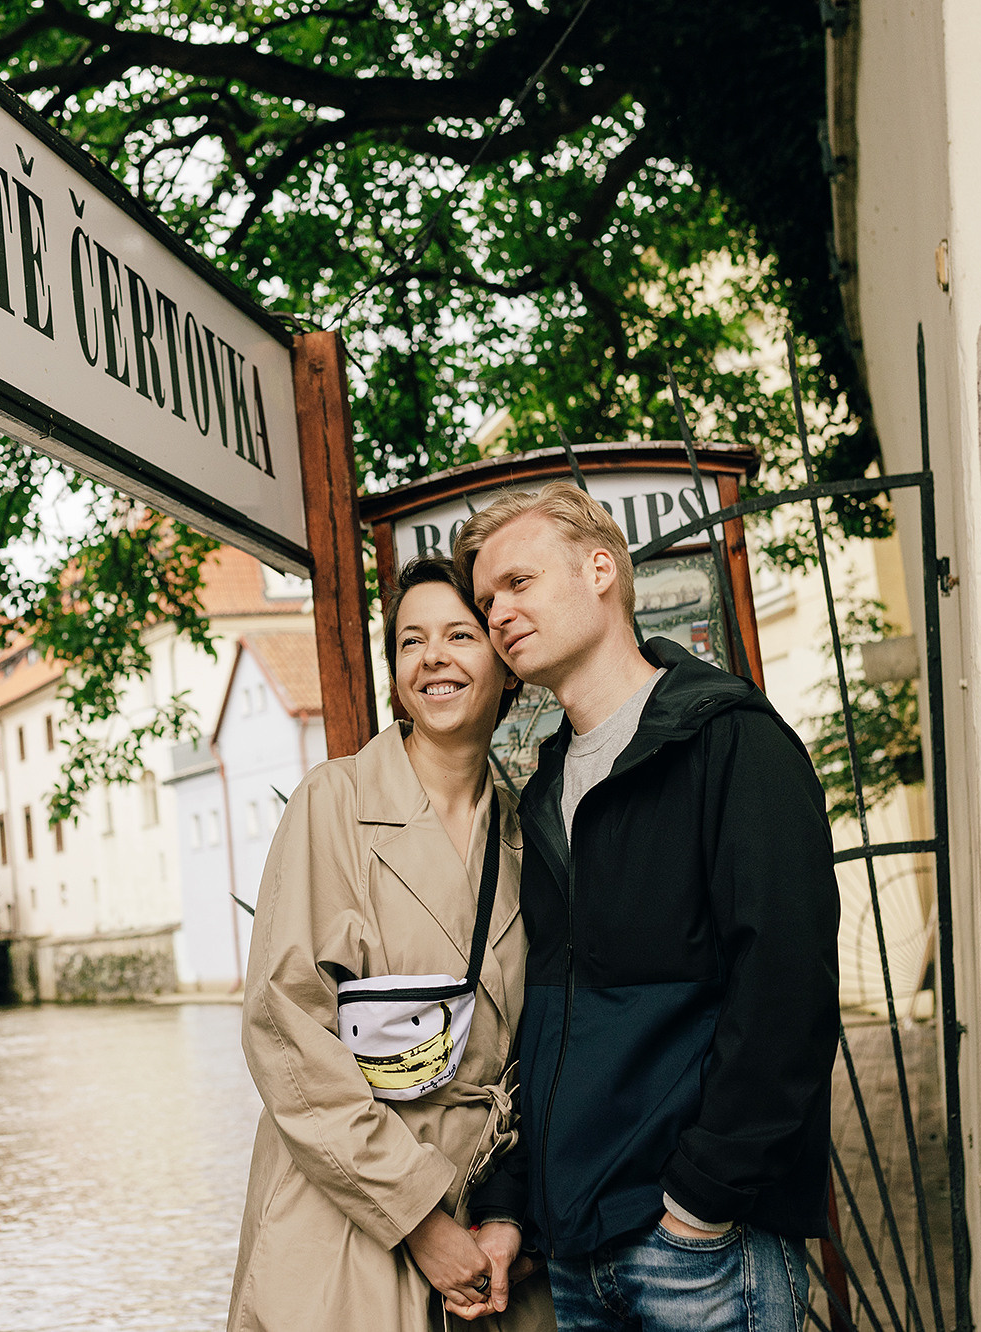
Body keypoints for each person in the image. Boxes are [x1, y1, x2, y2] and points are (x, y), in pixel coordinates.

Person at [453, 483, 839, 1332]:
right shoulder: (546, 790)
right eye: (485, 602)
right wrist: (515, 1204)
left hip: (701, 1253)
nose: (498, 614)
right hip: (577, 1258)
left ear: (601, 570)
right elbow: (547, 1021)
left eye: (518, 582)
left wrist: (702, 1201)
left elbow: (787, 987)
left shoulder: (730, 740)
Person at [230, 557, 555, 1332]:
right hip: (346, 1220)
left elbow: (541, 1049)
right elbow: (285, 1030)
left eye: (459, 636)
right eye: (411, 641)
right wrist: (418, 1220)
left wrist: (509, 1215)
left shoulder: (528, 835)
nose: (432, 656)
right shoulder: (333, 803)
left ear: (507, 666)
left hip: (490, 1236)